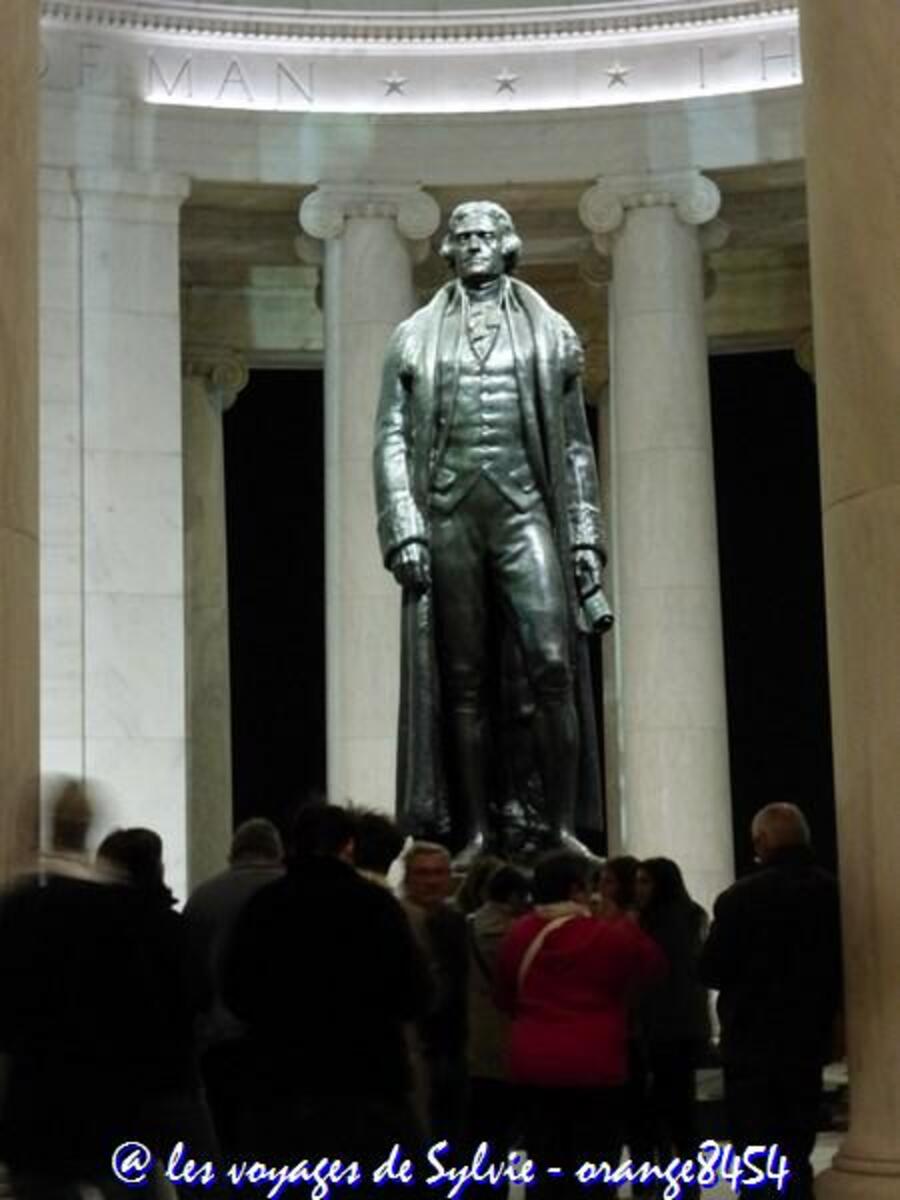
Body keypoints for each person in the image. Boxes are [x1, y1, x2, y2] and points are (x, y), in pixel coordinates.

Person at [374, 200, 610, 863]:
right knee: (464, 679)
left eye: (486, 235)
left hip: (525, 510)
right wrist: (402, 525)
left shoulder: (551, 330)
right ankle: (475, 831)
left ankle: (559, 826)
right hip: (449, 514)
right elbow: (391, 436)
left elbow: (574, 448)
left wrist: (587, 538)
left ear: (508, 245)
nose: (475, 245)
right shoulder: (413, 335)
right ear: (448, 251)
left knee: (553, 664)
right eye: (463, 237)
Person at [223, 803, 431, 1174]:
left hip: (281, 1081)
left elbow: (236, 991)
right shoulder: (376, 906)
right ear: (348, 846)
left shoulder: (265, 906)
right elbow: (414, 993)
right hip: (367, 1081)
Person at [495, 851, 666, 1198]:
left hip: (535, 1064)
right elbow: (653, 967)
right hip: (595, 1065)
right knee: (595, 1166)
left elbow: (504, 997)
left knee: (545, 1164)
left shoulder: (518, 935)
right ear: (577, 890)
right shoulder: (606, 936)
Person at [699, 804, 843, 1199]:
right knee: (797, 1147)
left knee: (757, 1150)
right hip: (808, 1039)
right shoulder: (833, 893)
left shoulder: (739, 899)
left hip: (751, 1043)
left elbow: (710, 969)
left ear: (762, 841)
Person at [182, 817, 285, 1156]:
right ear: (277, 853)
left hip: (219, 1042)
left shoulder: (203, 897)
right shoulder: (289, 891)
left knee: (226, 1141)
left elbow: (189, 972)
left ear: (232, 853)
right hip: (280, 1042)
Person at [632, 857, 711, 1197]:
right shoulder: (692, 916)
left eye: (645, 881)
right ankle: (684, 1178)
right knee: (680, 1108)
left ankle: (669, 1175)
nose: (638, 889)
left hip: (662, 1026)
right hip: (685, 1025)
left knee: (667, 1108)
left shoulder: (651, 925)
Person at [402, 842, 469, 1143]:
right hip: (414, 1046)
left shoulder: (459, 923)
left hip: (453, 1046)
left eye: (439, 873)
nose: (431, 881)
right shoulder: (395, 921)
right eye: (423, 873)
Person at [465, 863, 530, 1155]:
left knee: (479, 1127)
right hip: (511, 1035)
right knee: (503, 1124)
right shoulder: (521, 935)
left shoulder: (466, 925)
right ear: (516, 896)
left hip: (474, 1035)